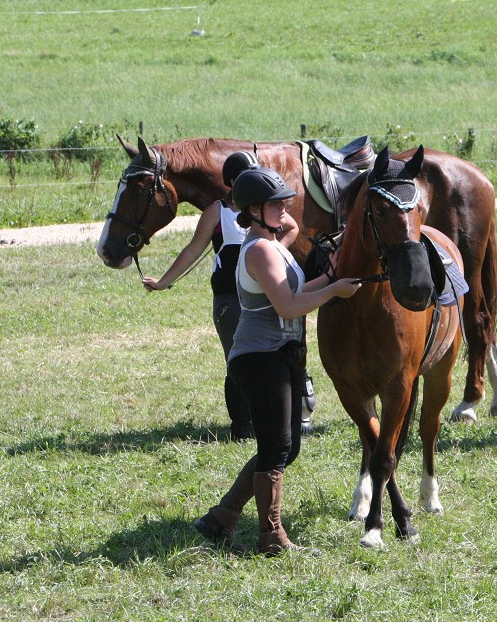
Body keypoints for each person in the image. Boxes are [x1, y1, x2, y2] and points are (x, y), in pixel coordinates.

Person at [193, 167, 361, 555]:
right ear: (253, 209)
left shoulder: (272, 244)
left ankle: (222, 516)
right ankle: (271, 536)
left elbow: (297, 289)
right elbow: (287, 306)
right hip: (259, 359)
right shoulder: (259, 249)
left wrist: (335, 275)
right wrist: (334, 288)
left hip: (277, 355)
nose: (285, 205)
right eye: (276, 203)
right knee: (276, 447)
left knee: (286, 447)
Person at [142, 151, 259, 440]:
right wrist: (164, 281)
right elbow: (193, 250)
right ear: (233, 181)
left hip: (262, 298)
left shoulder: (265, 210)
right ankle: (242, 427)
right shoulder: (216, 212)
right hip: (230, 300)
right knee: (237, 361)